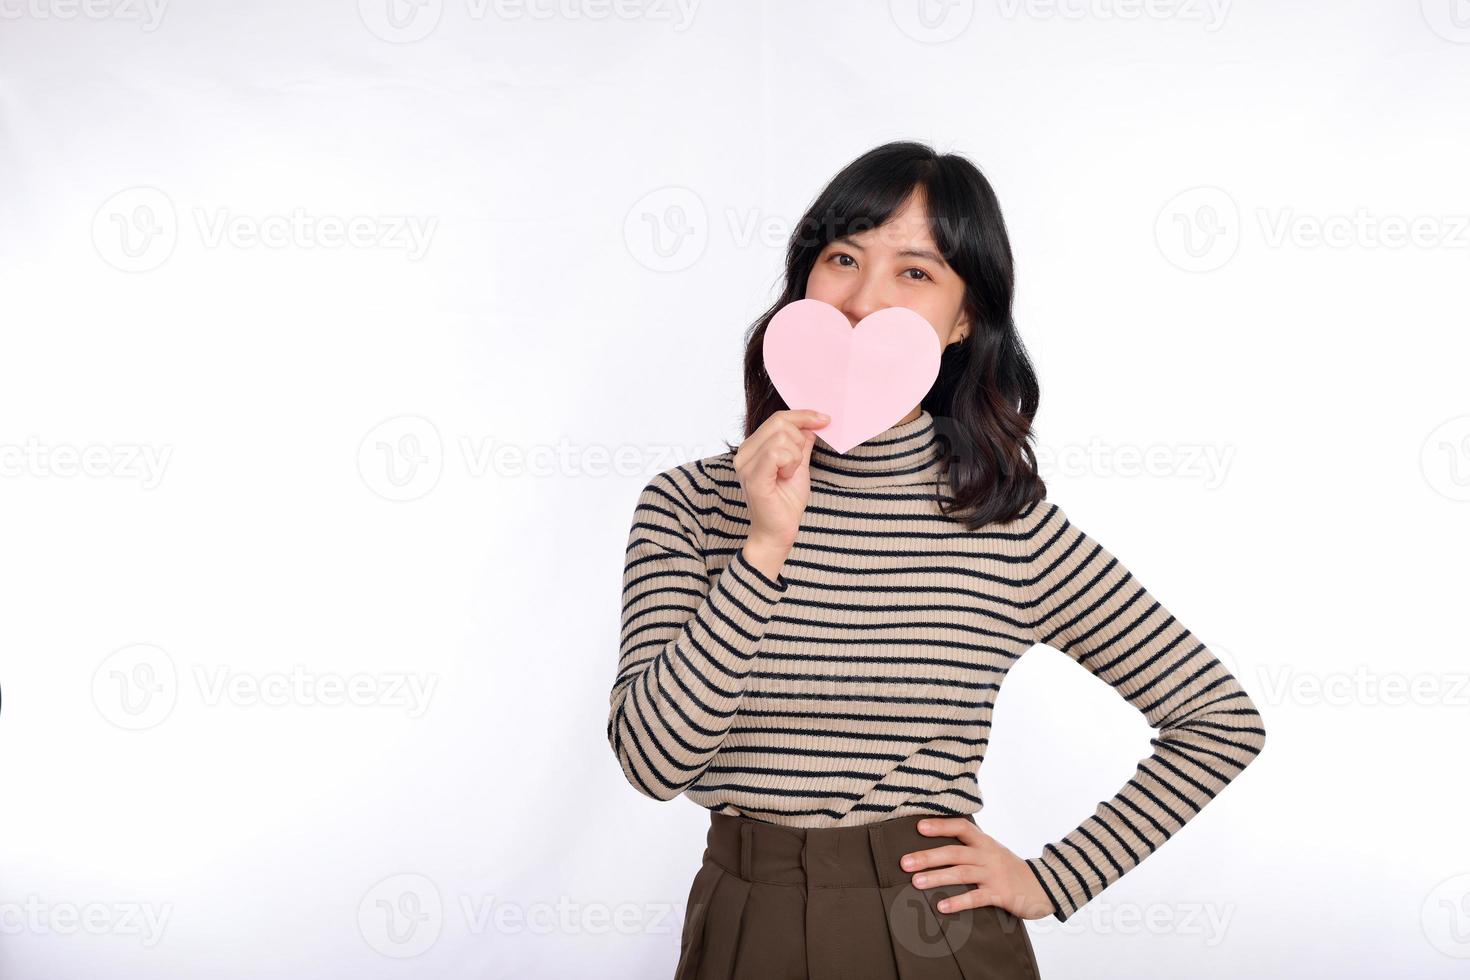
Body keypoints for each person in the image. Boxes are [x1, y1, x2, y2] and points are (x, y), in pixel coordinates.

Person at [606, 140, 1267, 979]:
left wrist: (1051, 879)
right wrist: (764, 549)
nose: (862, 298)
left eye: (914, 272)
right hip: (745, 919)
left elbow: (1219, 720)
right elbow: (652, 763)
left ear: (963, 322)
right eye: (842, 257)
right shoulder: (690, 505)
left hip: (932, 933)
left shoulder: (1007, 527)